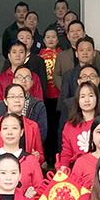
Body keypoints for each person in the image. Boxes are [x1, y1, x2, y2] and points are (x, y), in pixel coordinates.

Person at [0, 113, 43, 200]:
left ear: (21, 132)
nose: (10, 132)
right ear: (0, 132)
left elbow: (41, 191)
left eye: (14, 128)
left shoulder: (31, 160)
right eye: (5, 128)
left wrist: (33, 194)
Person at [59, 66, 100, 150]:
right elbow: (63, 140)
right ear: (79, 81)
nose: (88, 79)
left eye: (92, 76)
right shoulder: (68, 105)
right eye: (84, 77)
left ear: (98, 80)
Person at [0, 84, 45, 165]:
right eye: (12, 97)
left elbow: (41, 156)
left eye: (21, 97)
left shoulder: (33, 126)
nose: (17, 100)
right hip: (0, 170)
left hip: (25, 170)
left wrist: (37, 157)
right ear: (5, 101)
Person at [0, 65, 48, 142]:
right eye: (20, 77)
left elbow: (42, 133)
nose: (23, 81)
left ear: (32, 83)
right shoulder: (3, 104)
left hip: (30, 145)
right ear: (14, 80)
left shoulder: (38, 105)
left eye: (27, 78)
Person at [58, 36, 100, 109]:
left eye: (89, 50)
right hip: (74, 113)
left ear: (94, 53)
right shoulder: (68, 75)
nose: (85, 53)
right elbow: (64, 101)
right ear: (76, 54)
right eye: (81, 50)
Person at [0, 40, 43, 115]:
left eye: (21, 52)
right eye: (14, 52)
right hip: (7, 119)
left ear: (26, 56)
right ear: (9, 56)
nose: (18, 55)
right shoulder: (2, 77)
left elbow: (39, 102)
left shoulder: (33, 77)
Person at [58, 82, 100, 169]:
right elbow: (66, 153)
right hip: (77, 169)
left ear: (97, 98)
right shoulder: (69, 126)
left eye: (90, 96)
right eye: (82, 96)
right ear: (77, 100)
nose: (87, 100)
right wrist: (63, 170)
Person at [54, 20, 100, 92]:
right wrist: (66, 88)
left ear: (84, 33)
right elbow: (56, 75)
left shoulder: (96, 54)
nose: (75, 33)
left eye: (78, 30)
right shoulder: (61, 56)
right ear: (68, 36)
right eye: (72, 31)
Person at [39, 28, 62, 167]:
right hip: (45, 96)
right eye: (48, 37)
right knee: (46, 128)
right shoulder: (39, 56)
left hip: (58, 96)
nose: (51, 39)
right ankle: (47, 158)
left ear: (58, 40)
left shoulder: (61, 54)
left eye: (53, 37)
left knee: (57, 128)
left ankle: (57, 157)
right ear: (44, 40)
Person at [2, 28, 48, 93]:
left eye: (28, 38)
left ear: (32, 41)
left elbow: (43, 84)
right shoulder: (9, 61)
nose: (25, 40)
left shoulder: (39, 60)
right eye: (22, 38)